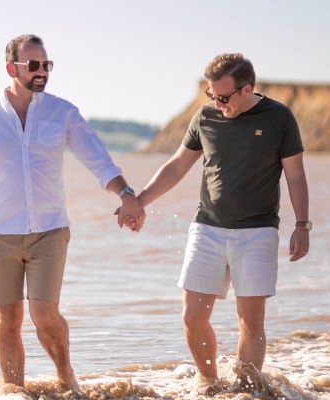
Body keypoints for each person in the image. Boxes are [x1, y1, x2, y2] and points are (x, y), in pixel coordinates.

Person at [0, 34, 144, 394]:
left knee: (43, 314)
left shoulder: (63, 112)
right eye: (34, 65)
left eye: (47, 65)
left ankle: (66, 376)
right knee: (6, 319)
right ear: (12, 68)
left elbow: (97, 159)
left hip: (49, 231)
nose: (43, 72)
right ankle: (15, 392)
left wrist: (127, 194)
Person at [123, 53, 311, 393]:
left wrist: (302, 225)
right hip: (207, 229)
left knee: (250, 323)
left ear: (246, 89)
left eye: (223, 96)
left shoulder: (279, 118)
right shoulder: (206, 116)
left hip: (258, 232)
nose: (216, 102)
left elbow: (295, 176)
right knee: (192, 317)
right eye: (211, 95)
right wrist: (140, 201)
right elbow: (178, 165)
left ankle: (246, 389)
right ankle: (209, 386)